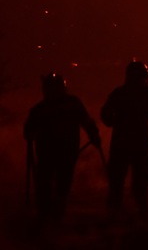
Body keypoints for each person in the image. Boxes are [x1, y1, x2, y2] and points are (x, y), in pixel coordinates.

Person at [23, 73, 101, 224]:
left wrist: (94, 134)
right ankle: (47, 214)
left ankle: (52, 214)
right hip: (52, 152)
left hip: (62, 152)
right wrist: (93, 135)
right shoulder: (44, 109)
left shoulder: (62, 105)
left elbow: (86, 121)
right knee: (50, 183)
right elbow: (28, 130)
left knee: (59, 183)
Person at [101, 60, 148, 220]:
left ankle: (139, 213)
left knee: (138, 181)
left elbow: (145, 113)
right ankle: (116, 213)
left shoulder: (145, 94)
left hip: (135, 143)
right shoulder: (126, 93)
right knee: (117, 180)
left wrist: (116, 119)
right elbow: (105, 113)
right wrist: (112, 120)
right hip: (127, 143)